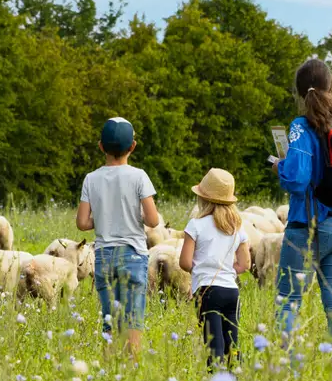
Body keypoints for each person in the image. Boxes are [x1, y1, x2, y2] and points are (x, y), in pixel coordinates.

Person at [274, 58, 332, 355]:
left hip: (309, 225)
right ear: (331, 85)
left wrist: (280, 168)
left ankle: (290, 369)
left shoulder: (301, 127)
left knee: (289, 301)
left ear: (300, 92)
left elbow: (298, 180)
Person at [76, 117, 161, 357]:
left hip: (103, 256)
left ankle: (110, 373)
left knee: (110, 321)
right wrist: (135, 215)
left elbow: (82, 222)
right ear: (132, 146)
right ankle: (131, 372)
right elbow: (153, 220)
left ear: (100, 146)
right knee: (133, 319)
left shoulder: (91, 178)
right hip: (133, 255)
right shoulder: (139, 176)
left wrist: (102, 218)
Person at [179, 168, 251, 364]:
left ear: (203, 198)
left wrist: (203, 269)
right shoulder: (237, 227)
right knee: (232, 344)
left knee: (214, 346)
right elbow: (245, 264)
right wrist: (227, 270)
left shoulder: (196, 225)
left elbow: (185, 262)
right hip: (231, 291)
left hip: (207, 291)